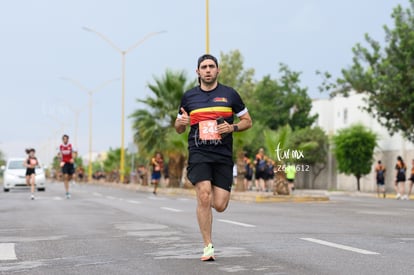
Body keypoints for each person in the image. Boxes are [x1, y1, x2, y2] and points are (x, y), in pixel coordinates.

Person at [174, 54, 252, 261]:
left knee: (219, 204)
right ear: (197, 72)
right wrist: (181, 122)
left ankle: (211, 213)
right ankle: (207, 246)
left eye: (211, 66)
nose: (208, 70)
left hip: (222, 154)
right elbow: (179, 129)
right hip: (199, 152)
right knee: (204, 196)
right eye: (204, 67)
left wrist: (232, 127)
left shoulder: (230, 95)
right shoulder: (189, 97)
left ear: (218, 70)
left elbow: (247, 121)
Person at [59, 134, 74, 199]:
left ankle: (67, 181)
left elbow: (74, 153)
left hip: (70, 163)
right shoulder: (61, 146)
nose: (65, 140)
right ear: (62, 140)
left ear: (68, 139)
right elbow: (59, 155)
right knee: (65, 176)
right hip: (64, 163)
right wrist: (60, 161)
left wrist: (73, 158)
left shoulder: (71, 146)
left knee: (71, 177)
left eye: (66, 139)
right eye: (64, 139)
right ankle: (67, 192)